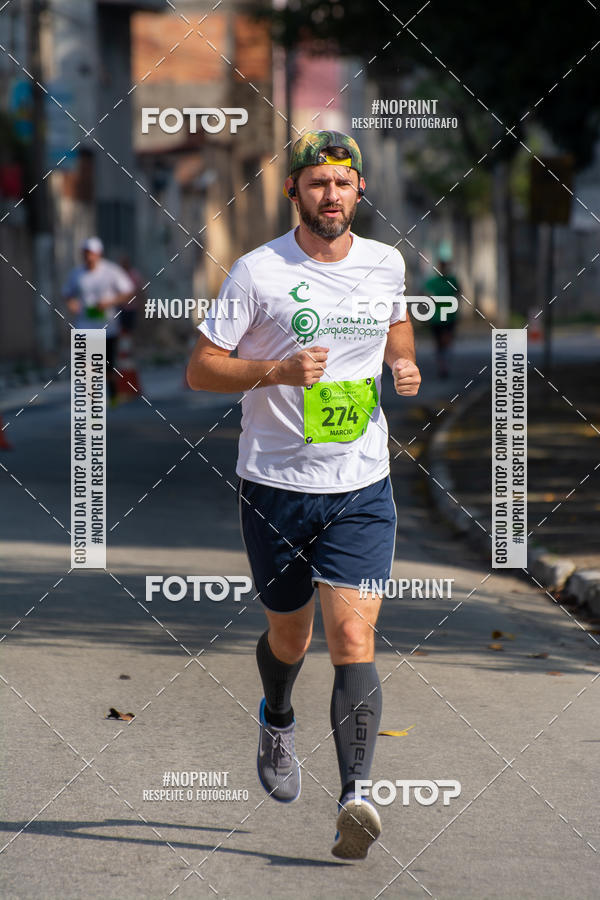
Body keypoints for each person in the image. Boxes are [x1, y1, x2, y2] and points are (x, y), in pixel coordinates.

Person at [186, 130, 421, 859]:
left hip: (360, 483)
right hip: (276, 485)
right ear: (294, 192)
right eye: (317, 183)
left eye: (343, 184)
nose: (332, 195)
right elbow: (201, 369)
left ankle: (355, 796)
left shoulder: (386, 262)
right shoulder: (257, 272)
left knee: (355, 636)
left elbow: (397, 326)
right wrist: (275, 372)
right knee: (292, 636)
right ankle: (277, 715)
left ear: (359, 192)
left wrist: (405, 365)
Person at [63, 237, 135, 402]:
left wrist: (109, 302)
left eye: (92, 254)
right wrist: (71, 303)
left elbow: (128, 291)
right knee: (86, 365)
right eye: (86, 254)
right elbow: (67, 293)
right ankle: (92, 400)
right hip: (84, 325)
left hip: (107, 326)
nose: (89, 257)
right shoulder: (77, 273)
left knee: (107, 367)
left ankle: (113, 393)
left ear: (98, 254)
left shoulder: (111, 271)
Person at [422, 244, 460, 378]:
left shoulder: (452, 280)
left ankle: (445, 364)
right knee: (438, 344)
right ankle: (442, 367)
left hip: (450, 318)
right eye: (441, 264)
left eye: (445, 264)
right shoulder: (432, 281)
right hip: (436, 318)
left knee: (447, 341)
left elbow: (459, 294)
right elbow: (425, 296)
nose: (443, 267)